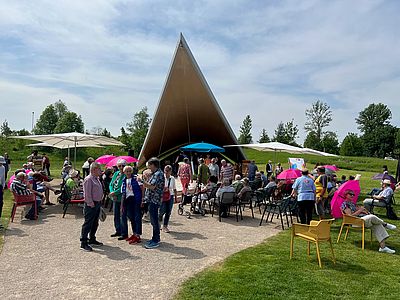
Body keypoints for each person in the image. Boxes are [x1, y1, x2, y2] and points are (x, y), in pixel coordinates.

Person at [341, 189, 396, 254]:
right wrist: (360, 210)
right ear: (346, 195)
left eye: (353, 194)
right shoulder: (344, 204)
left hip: (361, 219)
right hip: (354, 222)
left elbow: (357, 211)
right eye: (350, 194)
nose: (352, 195)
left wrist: (364, 211)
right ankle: (385, 224)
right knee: (372, 217)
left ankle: (383, 247)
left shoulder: (352, 203)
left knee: (377, 224)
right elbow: (350, 216)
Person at [80, 162, 104, 252]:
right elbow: (87, 194)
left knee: (95, 223)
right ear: (94, 169)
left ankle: (92, 239)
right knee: (88, 223)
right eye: (99, 169)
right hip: (91, 204)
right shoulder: (88, 179)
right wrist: (91, 203)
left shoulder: (96, 178)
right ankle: (83, 242)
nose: (101, 171)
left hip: (97, 203)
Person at [142, 157, 165, 249]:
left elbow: (152, 187)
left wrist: (142, 181)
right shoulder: (155, 174)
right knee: (153, 220)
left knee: (154, 220)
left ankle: (155, 240)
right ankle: (155, 238)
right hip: (151, 199)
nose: (148, 168)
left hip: (154, 200)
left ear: (153, 165)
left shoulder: (158, 174)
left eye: (149, 166)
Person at [120, 166, 143, 244]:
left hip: (135, 199)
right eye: (127, 171)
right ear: (124, 172)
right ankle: (134, 233)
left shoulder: (136, 178)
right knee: (131, 217)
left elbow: (142, 188)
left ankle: (138, 235)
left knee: (137, 217)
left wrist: (142, 199)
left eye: (130, 171)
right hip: (127, 200)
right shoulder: (124, 180)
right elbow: (123, 192)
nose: (128, 173)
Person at [109, 159, 127, 238]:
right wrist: (112, 192)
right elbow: (111, 184)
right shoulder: (116, 173)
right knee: (116, 215)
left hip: (122, 198)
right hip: (115, 198)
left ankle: (124, 232)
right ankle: (118, 230)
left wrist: (115, 193)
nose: (121, 167)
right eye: (119, 166)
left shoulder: (126, 174)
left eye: (123, 166)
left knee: (122, 215)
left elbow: (123, 187)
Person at [159, 165, 177, 233]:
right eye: (166, 171)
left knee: (168, 212)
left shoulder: (172, 178)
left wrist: (175, 197)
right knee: (161, 211)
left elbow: (174, 188)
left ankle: (165, 226)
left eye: (168, 171)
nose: (166, 172)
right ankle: (159, 223)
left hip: (170, 196)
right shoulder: (161, 178)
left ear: (170, 171)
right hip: (162, 196)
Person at [0, 156, 6, 228]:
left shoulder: (3, 168)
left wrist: (3, 187)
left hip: (0, 186)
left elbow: (3, 178)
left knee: (0, 204)